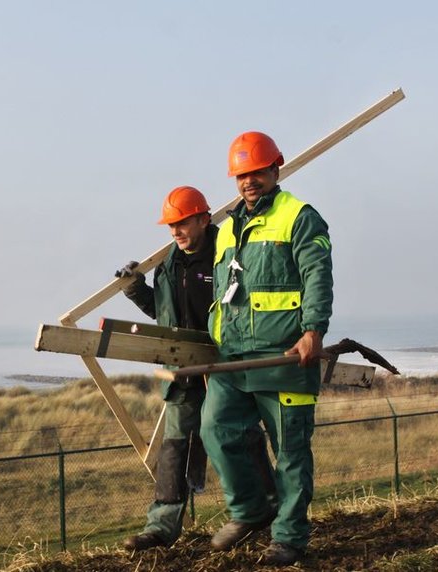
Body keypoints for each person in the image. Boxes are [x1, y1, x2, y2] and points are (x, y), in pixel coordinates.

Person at [116, 186, 276, 551]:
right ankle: (161, 528)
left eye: (182, 222)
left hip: (224, 366)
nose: (175, 231)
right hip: (183, 371)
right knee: (174, 448)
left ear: (204, 219)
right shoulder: (168, 264)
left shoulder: (229, 253)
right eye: (171, 225)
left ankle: (269, 504)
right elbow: (163, 312)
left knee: (240, 435)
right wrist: (134, 289)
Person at [200, 131, 333, 566]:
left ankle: (290, 536)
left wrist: (313, 329)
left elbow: (317, 273)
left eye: (256, 172)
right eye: (241, 175)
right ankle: (250, 511)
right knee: (216, 431)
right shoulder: (226, 229)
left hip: (285, 356)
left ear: (275, 168)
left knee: (291, 452)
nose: (248, 181)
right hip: (233, 357)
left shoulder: (299, 216)